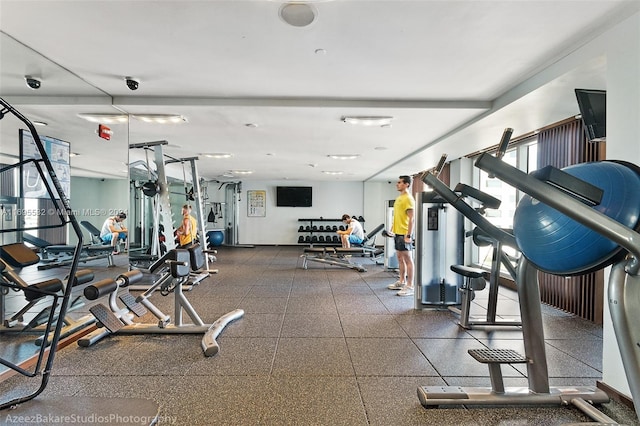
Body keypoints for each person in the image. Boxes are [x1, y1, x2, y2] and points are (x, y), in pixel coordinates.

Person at [387, 175, 416, 297]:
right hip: (397, 232)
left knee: (408, 259)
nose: (397, 184)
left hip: (404, 233)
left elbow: (412, 219)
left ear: (406, 184)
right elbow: (397, 216)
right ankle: (401, 281)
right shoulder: (399, 198)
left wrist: (408, 235)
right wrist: (392, 228)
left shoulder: (409, 199)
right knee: (399, 258)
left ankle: (410, 285)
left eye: (399, 182)